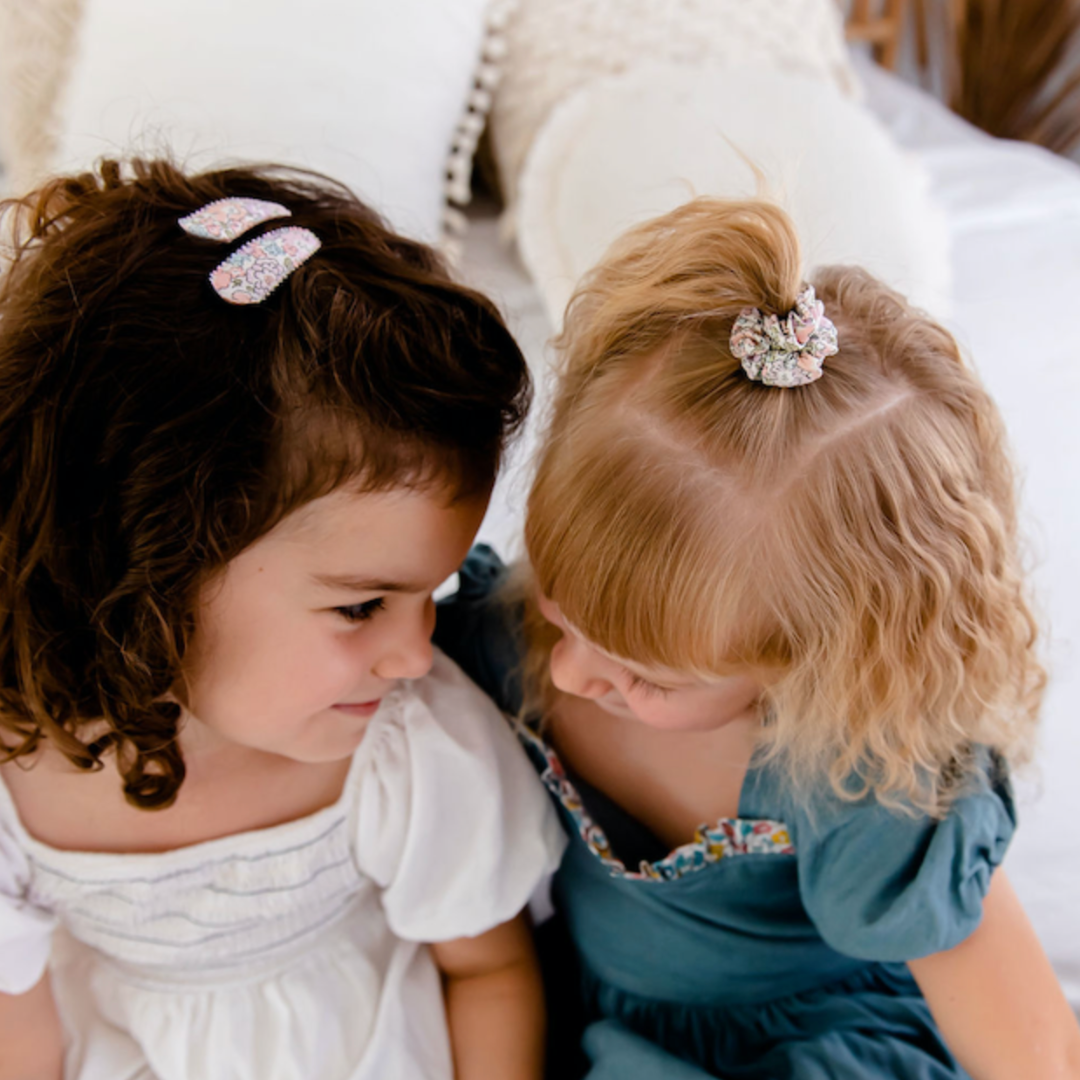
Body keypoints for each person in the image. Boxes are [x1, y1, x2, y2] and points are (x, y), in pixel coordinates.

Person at [436, 198, 1080, 1079]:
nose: (576, 671)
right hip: (598, 1026)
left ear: (818, 661)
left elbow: (1035, 1051)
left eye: (646, 677)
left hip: (822, 1048)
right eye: (558, 604)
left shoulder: (851, 775)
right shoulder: (492, 641)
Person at [0, 158, 565, 1080]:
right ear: (153, 563)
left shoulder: (406, 751)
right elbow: (19, 1035)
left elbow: (492, 969)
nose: (414, 656)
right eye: (361, 606)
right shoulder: (18, 773)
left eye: (434, 596)